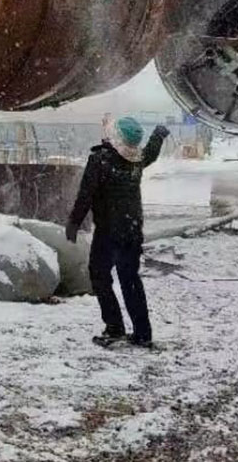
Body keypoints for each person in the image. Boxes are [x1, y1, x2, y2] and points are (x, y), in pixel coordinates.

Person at [66, 115, 169, 349]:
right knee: (130, 279)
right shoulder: (137, 159)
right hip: (132, 229)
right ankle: (142, 333)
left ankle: (114, 327)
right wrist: (158, 135)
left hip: (108, 231)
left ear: (117, 137)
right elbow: (151, 152)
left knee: (100, 275)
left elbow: (86, 194)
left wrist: (73, 223)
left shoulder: (101, 159)